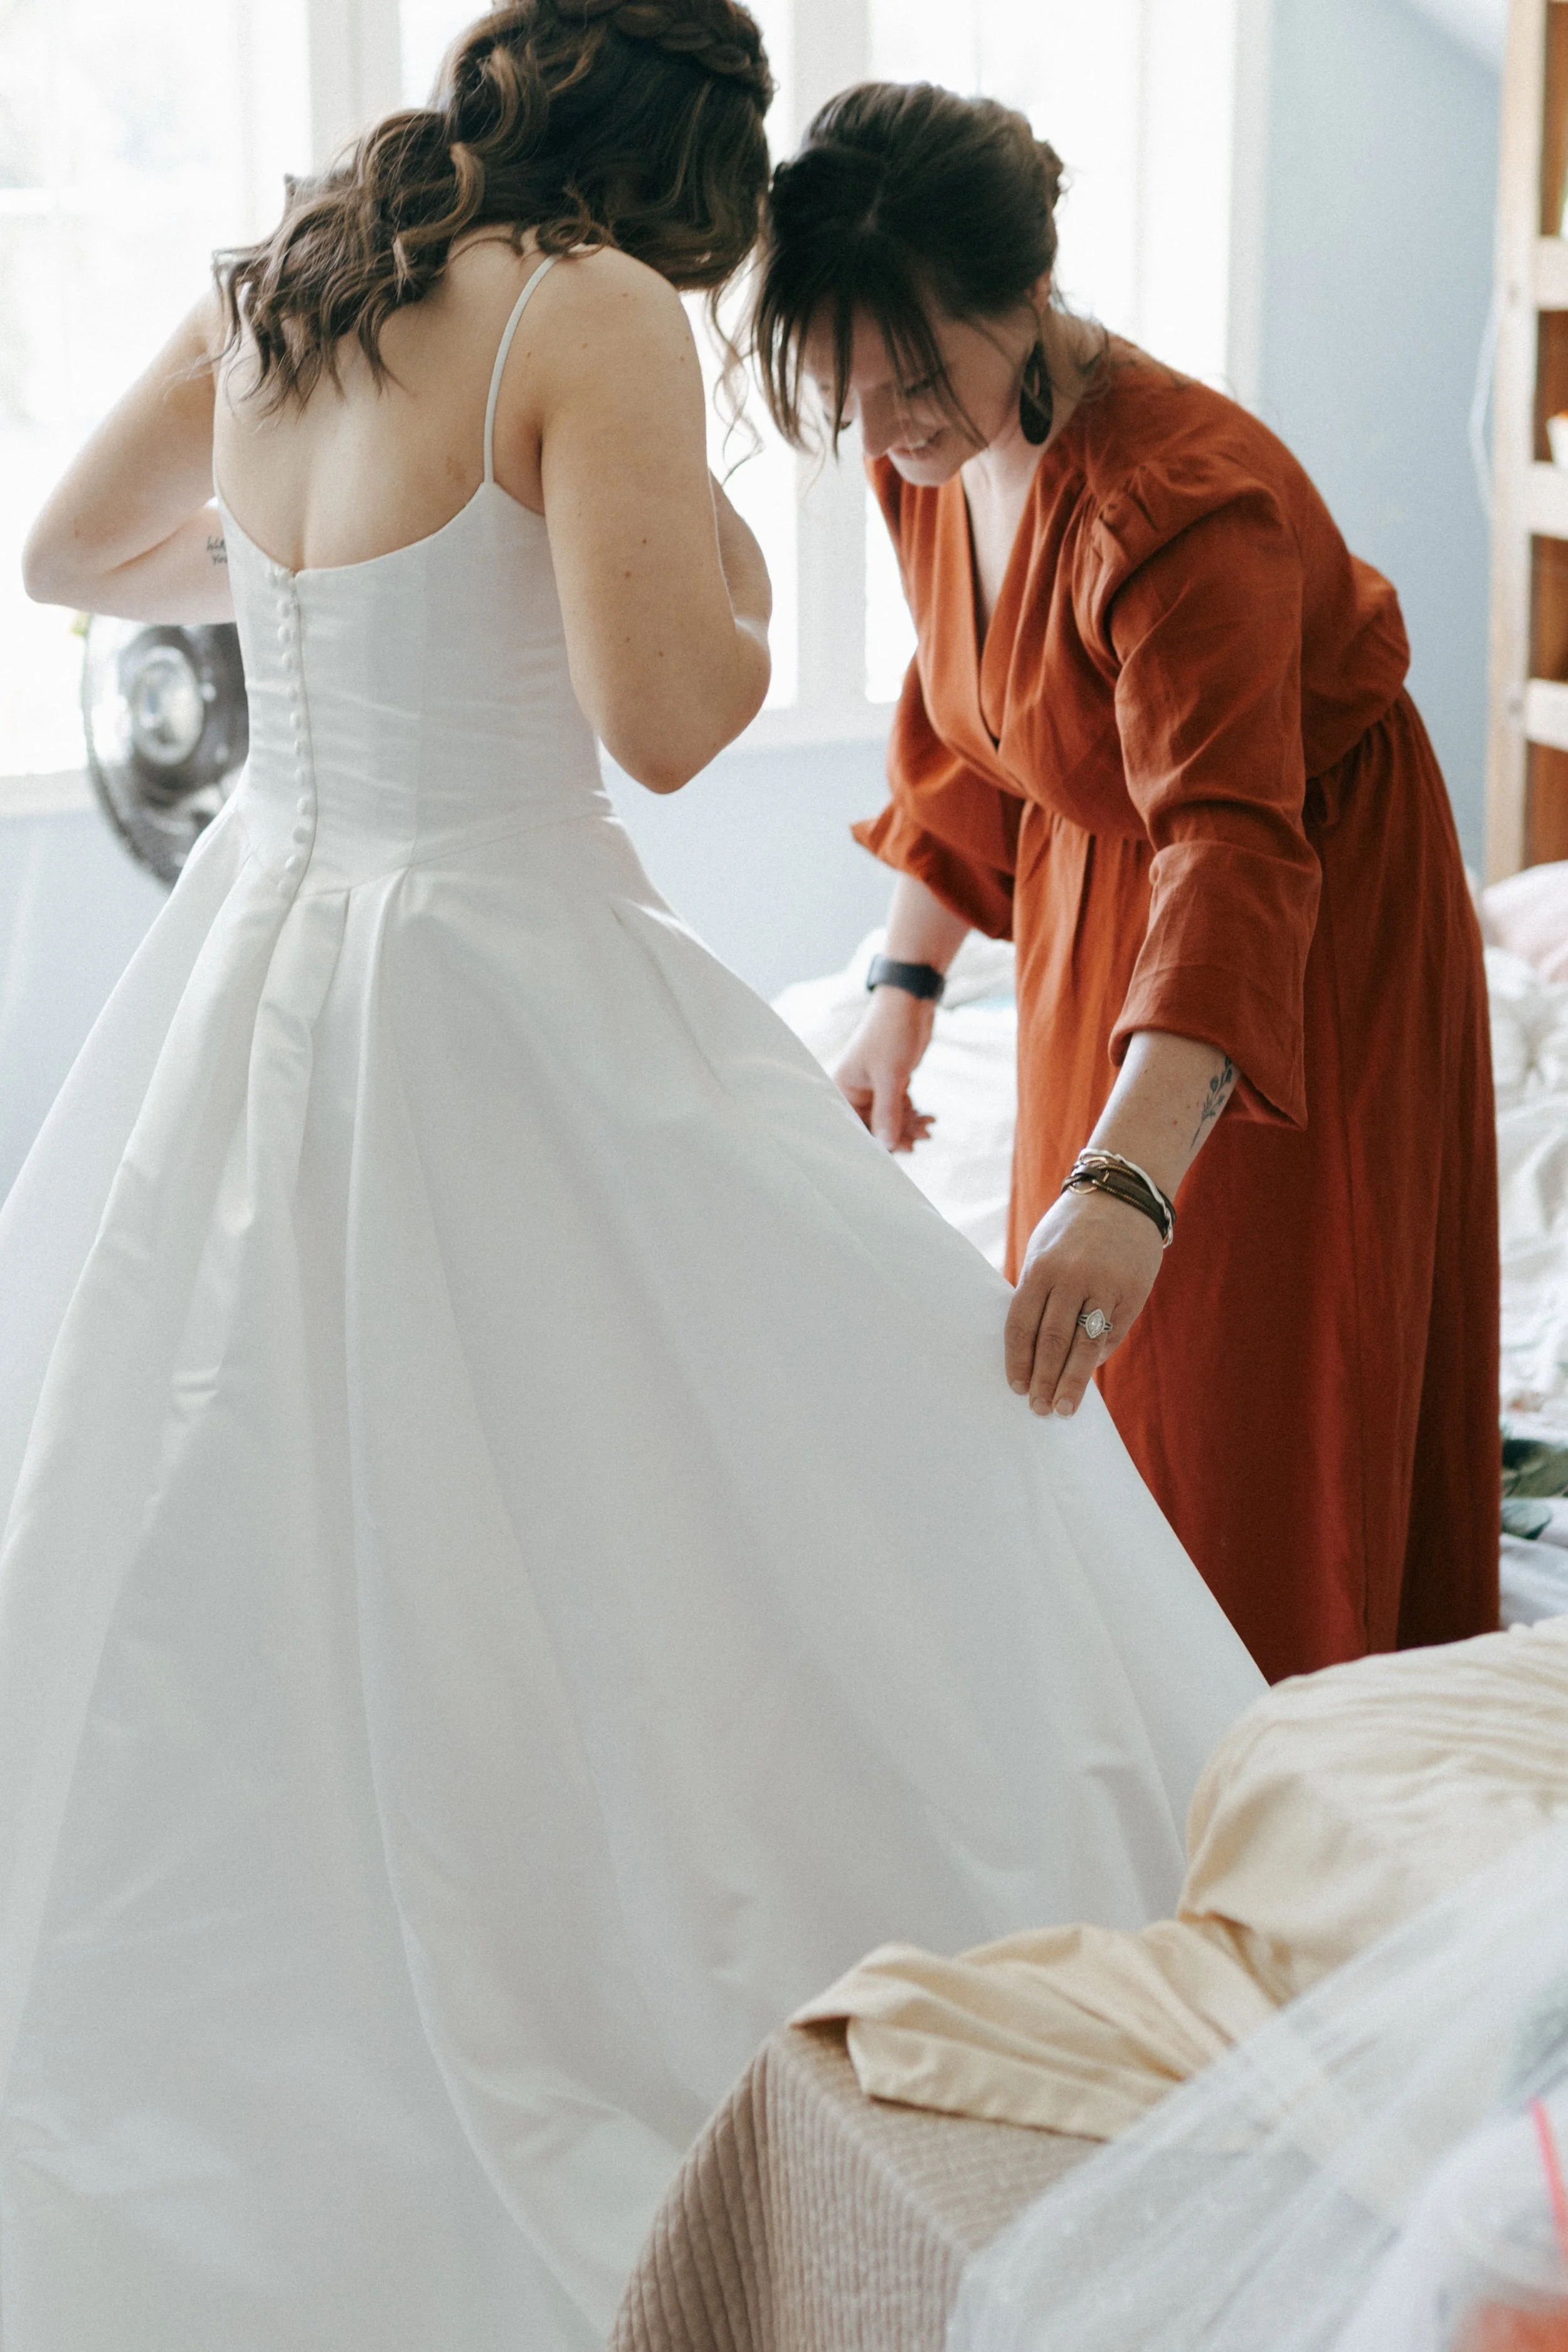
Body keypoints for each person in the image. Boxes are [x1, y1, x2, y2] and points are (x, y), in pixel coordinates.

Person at [5, 7, 1262, 2345]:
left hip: (275, 932)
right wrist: (728, 571)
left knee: (279, 1507)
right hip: (489, 958)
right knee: (772, 1446)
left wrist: (324, 616)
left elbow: (74, 554)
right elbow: (676, 725)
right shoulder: (583, 309)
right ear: (688, 159)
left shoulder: (294, 264)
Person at [752, 80, 1501, 1687]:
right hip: (1105, 898)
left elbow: (1232, 849)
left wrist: (1133, 1176)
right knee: (1077, 1370)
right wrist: (901, 993)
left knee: (1233, 1389)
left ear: (1026, 296)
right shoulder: (927, 455)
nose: (885, 431)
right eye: (846, 393)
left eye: (910, 381)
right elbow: (969, 726)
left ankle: (1268, 1743)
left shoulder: (1178, 511)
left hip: (1291, 919)